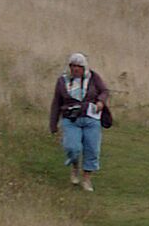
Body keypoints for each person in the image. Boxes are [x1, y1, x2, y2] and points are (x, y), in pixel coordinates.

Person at [49, 52, 115, 190]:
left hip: (91, 118)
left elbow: (104, 91)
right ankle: (74, 166)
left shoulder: (93, 77)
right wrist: (53, 124)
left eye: (78, 66)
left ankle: (86, 179)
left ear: (84, 67)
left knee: (92, 148)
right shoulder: (62, 81)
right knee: (72, 148)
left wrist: (101, 101)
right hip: (70, 119)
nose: (75, 69)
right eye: (73, 66)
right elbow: (56, 102)